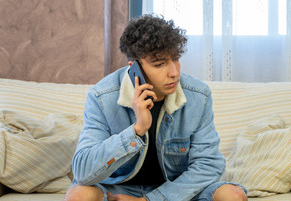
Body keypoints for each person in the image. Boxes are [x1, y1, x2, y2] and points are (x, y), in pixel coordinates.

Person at [64, 14, 247, 201]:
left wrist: (151, 200)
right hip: (119, 188)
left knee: (232, 195)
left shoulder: (199, 96)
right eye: (160, 64)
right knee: (79, 195)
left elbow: (208, 165)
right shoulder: (102, 97)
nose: (174, 73)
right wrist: (137, 130)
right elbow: (82, 172)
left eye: (175, 59)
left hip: (176, 189)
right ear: (134, 67)